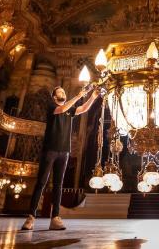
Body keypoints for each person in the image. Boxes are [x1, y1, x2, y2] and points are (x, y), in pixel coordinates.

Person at [21, 85, 99, 231]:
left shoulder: (69, 109)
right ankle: (31, 217)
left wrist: (92, 97)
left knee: (58, 185)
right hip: (49, 150)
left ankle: (55, 218)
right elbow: (62, 109)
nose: (63, 93)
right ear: (55, 97)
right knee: (41, 183)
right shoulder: (51, 106)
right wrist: (78, 95)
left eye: (64, 91)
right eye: (60, 92)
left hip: (64, 151)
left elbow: (82, 109)